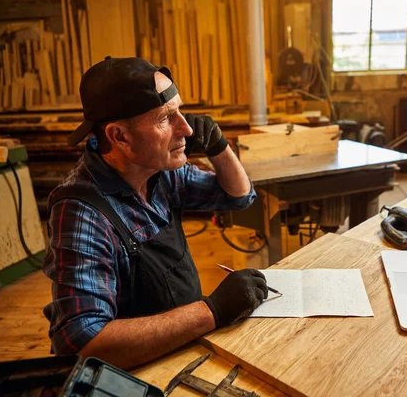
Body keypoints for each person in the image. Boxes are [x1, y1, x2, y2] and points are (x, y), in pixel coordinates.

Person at [42, 57, 269, 369]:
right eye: (166, 118)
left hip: (184, 347)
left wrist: (219, 147)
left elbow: (239, 196)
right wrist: (212, 310)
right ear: (119, 136)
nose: (186, 128)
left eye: (181, 111)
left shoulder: (159, 173)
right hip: (136, 374)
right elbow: (81, 344)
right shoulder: (83, 212)